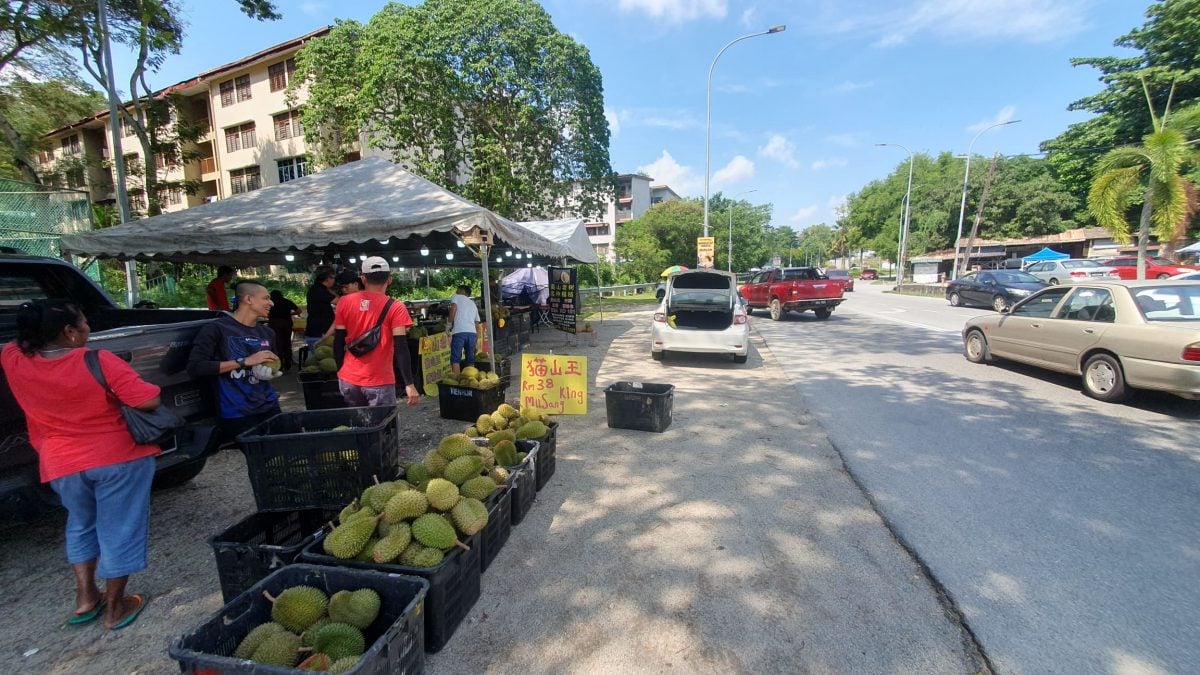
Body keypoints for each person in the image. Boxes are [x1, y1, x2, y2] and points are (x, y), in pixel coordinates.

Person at [1, 300, 159, 630]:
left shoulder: (13, 359)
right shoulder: (98, 360)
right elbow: (147, 400)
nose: (89, 330)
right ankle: (115, 607)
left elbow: (21, 339)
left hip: (61, 461)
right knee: (120, 527)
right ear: (69, 332)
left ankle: (86, 598)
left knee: (81, 523)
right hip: (117, 458)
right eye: (84, 324)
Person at [187, 281, 282, 444]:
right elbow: (196, 367)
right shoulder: (216, 329)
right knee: (259, 458)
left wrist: (271, 373)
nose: (271, 303)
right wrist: (244, 362)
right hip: (237, 411)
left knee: (287, 454)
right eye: (266, 298)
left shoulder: (267, 332)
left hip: (269, 405)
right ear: (249, 299)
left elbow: (273, 360)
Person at [333, 257, 420, 407]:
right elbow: (401, 347)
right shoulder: (396, 307)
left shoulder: (344, 302)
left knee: (356, 425)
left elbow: (338, 341)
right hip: (379, 380)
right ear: (389, 280)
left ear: (363, 278)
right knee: (383, 427)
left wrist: (341, 370)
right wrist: (409, 383)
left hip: (348, 378)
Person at [448, 284, 481, 375]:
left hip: (459, 332)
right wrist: (476, 342)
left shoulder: (457, 297)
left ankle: (457, 381)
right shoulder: (473, 303)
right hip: (472, 334)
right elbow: (477, 324)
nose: (456, 291)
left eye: (458, 289)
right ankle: (471, 379)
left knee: (455, 359)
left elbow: (453, 308)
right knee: (470, 359)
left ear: (463, 291)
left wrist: (448, 324)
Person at [303, 266, 337, 350]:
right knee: (322, 359)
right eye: (333, 277)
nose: (334, 280)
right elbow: (339, 301)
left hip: (319, 332)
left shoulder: (319, 289)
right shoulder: (319, 290)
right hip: (319, 334)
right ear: (328, 278)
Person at [267, 289, 301, 371]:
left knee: (277, 344)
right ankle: (288, 364)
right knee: (287, 343)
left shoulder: (269, 302)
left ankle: (279, 365)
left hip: (274, 324)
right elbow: (299, 311)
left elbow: (266, 313)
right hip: (286, 323)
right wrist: (290, 313)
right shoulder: (287, 301)